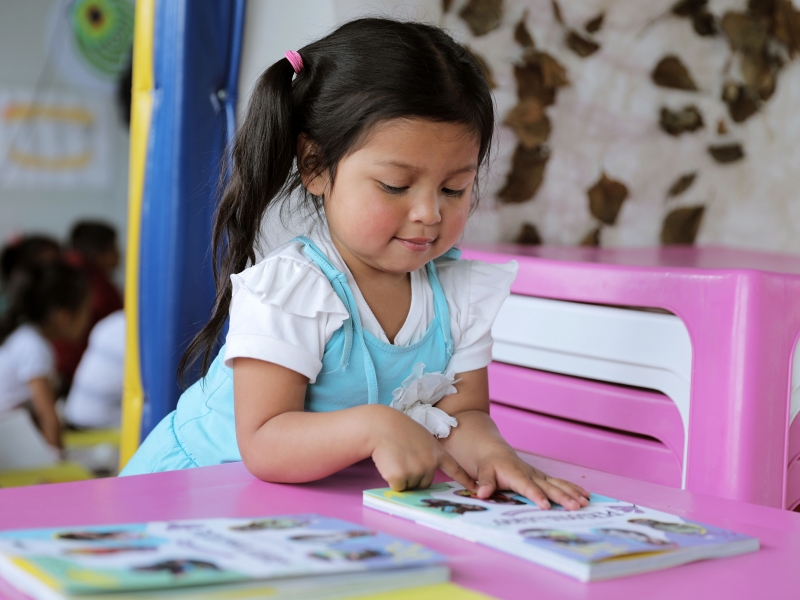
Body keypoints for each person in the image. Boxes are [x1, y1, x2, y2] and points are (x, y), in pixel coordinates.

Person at [121, 18, 590, 511]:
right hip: (191, 494)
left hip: (304, 512)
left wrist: (494, 454)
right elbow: (264, 442)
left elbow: (462, 416)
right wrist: (375, 425)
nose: (429, 213)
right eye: (395, 186)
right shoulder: (295, 290)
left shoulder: (457, 293)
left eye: (455, 188)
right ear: (316, 167)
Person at [0, 262, 91, 449]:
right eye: (86, 311)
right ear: (64, 315)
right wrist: (58, 461)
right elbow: (47, 415)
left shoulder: (24, 335)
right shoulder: (33, 346)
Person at [56, 221, 123, 393]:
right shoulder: (93, 285)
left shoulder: (64, 271)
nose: (120, 256)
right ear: (98, 253)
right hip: (75, 368)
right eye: (114, 248)